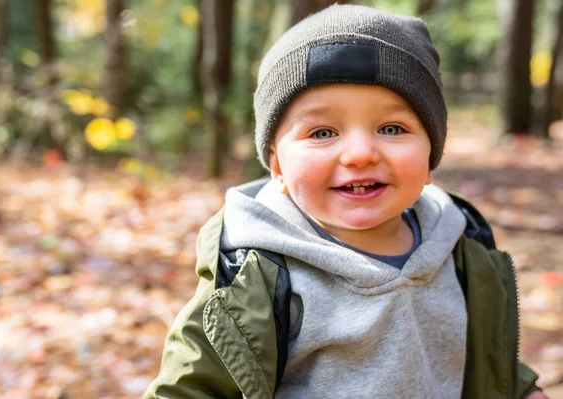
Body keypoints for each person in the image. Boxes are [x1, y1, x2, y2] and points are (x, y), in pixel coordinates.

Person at [144, 4, 547, 399]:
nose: (360, 153)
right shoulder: (258, 271)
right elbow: (193, 387)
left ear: (430, 158)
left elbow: (484, 357)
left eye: (391, 128)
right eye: (321, 133)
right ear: (276, 165)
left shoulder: (461, 247)